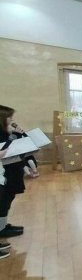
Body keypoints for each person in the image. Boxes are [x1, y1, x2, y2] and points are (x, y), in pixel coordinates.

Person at [0, 105, 27, 255]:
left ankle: (2, 227)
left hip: (10, 171)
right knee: (2, 201)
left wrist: (17, 135)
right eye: (9, 117)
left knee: (6, 200)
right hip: (6, 172)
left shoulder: (6, 132)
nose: (11, 120)